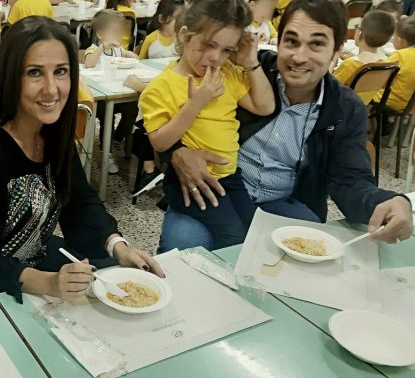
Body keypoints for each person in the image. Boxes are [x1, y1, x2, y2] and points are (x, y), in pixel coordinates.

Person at [159, 0, 413, 252]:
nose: (299, 57)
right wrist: (178, 152)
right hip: (214, 187)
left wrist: (388, 201)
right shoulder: (241, 69)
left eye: (316, 44)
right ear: (278, 43)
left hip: (282, 201)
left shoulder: (344, 108)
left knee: (313, 253)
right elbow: (166, 105)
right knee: (185, 244)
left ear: (337, 52)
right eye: (291, 41)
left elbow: (350, 180)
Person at [0, 16, 165, 304]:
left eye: (61, 71)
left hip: (35, 253)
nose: (52, 89)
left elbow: (78, 200)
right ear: (10, 77)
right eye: (35, 73)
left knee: (114, 278)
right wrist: (50, 282)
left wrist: (118, 245)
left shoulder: (51, 131)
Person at [138, 0, 275, 249]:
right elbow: (159, 142)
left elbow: (265, 106)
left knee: (256, 229)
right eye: (208, 45)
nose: (215, 57)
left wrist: (251, 63)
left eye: (226, 50)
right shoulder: (160, 88)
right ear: (184, 35)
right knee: (233, 237)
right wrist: (195, 103)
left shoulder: (229, 74)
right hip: (190, 184)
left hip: (230, 176)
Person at [131, 0, 186, 195]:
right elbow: (140, 61)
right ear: (162, 19)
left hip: (171, 101)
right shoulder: (152, 38)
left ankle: (152, 170)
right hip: (158, 89)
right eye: (176, 20)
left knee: (142, 126)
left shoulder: (183, 46)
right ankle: (154, 171)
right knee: (143, 123)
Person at [84, 9, 139, 174]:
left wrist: (131, 55)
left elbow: (132, 57)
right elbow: (89, 63)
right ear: (100, 34)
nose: (118, 36)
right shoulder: (93, 49)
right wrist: (102, 47)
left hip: (117, 92)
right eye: (114, 32)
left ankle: (117, 138)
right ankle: (106, 152)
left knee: (132, 108)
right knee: (107, 118)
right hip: (101, 98)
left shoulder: (118, 49)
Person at [333, 10, 395, 105]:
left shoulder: (350, 65)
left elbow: (329, 88)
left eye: (357, 27)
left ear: (361, 33)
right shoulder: (387, 64)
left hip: (339, 109)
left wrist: (333, 60)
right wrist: (353, 58)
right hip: (360, 108)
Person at [375, 15, 415, 113]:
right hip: (410, 105)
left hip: (390, 102)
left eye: (394, 36)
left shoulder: (400, 55)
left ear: (401, 40)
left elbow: (380, 80)